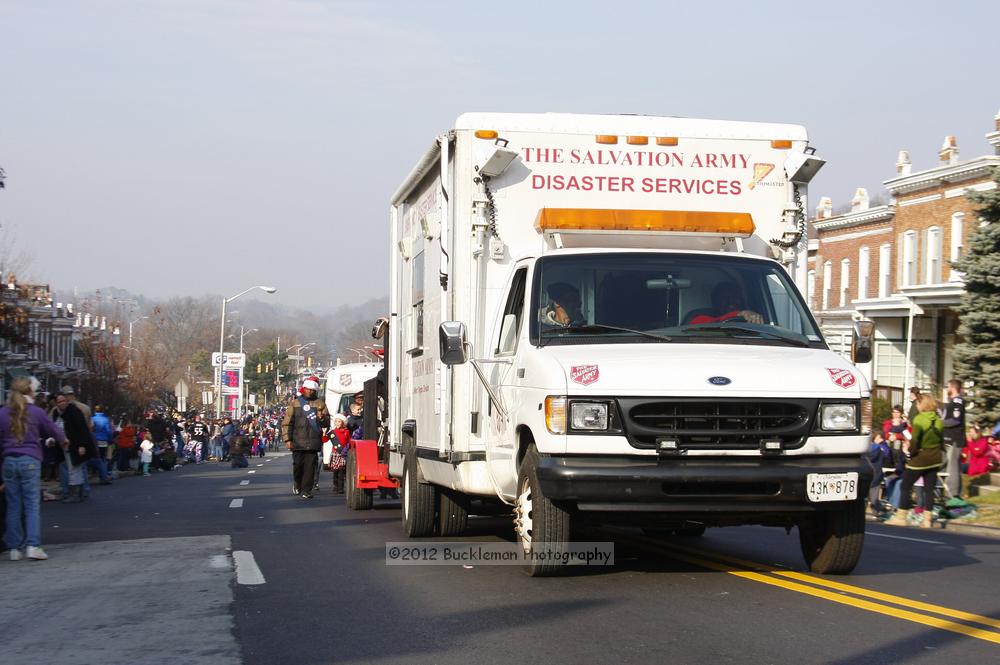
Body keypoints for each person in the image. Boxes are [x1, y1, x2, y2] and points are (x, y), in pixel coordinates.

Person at [1, 376, 69, 561]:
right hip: (30, 459)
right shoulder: (35, 412)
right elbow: (53, 429)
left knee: (13, 505)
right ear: (30, 392)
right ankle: (33, 545)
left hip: (9, 461)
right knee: (31, 505)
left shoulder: (4, 413)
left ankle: (14, 548)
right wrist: (63, 441)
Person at [885, 394, 944, 528]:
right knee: (929, 489)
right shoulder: (939, 421)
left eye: (918, 403)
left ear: (923, 404)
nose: (916, 406)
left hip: (921, 458)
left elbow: (915, 441)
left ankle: (901, 517)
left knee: (905, 485)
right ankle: (927, 520)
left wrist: (909, 454)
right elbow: (941, 441)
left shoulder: (919, 419)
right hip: (935, 458)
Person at [282, 376, 329, 499]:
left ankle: (306, 490)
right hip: (297, 441)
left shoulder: (320, 404)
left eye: (313, 390)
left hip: (313, 442)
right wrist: (287, 439)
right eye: (308, 389)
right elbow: (287, 423)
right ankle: (297, 483)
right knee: (298, 465)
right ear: (304, 389)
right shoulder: (295, 403)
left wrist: (322, 418)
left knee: (310, 468)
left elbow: (327, 424)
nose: (310, 391)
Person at [687, 282, 764, 325]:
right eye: (724, 298)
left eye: (735, 297)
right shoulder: (700, 319)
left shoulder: (754, 322)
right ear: (715, 302)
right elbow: (714, 322)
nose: (731, 301)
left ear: (743, 300)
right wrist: (741, 314)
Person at [941, 379, 966, 498]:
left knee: (953, 467)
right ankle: (948, 492)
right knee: (947, 465)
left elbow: (955, 420)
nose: (946, 389)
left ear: (953, 388)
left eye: (948, 387)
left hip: (955, 440)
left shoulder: (958, 402)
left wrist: (940, 422)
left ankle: (954, 495)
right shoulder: (951, 402)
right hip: (948, 439)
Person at [89, 405, 114, 485]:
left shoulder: (92, 419)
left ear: (95, 411)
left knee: (94, 457)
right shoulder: (105, 419)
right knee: (102, 459)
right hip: (103, 441)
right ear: (102, 411)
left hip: (94, 440)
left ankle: (93, 473)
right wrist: (110, 440)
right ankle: (103, 477)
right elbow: (108, 431)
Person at [328, 413, 350, 494]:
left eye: (339, 421)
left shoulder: (346, 432)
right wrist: (323, 434)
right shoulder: (333, 432)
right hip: (335, 453)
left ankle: (341, 488)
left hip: (342, 453)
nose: (337, 423)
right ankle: (336, 486)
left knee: (341, 471)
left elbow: (349, 442)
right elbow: (324, 440)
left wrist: (347, 450)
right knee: (335, 471)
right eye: (336, 421)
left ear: (343, 423)